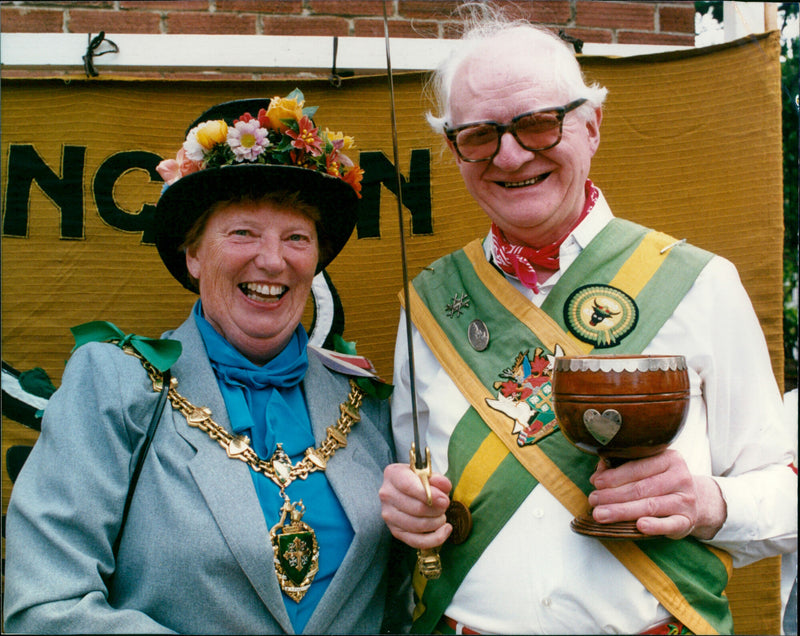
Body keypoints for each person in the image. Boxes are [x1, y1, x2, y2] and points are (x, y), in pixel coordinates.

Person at [378, 11, 798, 635]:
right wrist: (408, 511)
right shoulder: (429, 304)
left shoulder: (702, 284)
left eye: (538, 124)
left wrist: (706, 502)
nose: (510, 154)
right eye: (478, 135)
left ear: (592, 125)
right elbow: (414, 479)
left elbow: (786, 491)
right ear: (454, 151)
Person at [4, 91, 410, 634]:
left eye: (296, 237)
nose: (272, 259)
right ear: (193, 254)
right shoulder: (116, 384)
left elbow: (404, 606)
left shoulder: (365, 402)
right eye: (242, 232)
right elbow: (45, 608)